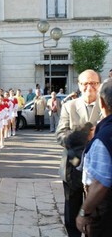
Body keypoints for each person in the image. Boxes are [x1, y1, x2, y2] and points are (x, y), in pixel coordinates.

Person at [56, 69, 101, 237]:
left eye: (94, 83)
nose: (90, 87)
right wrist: (83, 134)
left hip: (99, 169)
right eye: (85, 83)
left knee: (97, 212)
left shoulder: (106, 105)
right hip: (73, 166)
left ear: (99, 85)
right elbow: (61, 136)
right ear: (79, 85)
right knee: (72, 211)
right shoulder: (69, 106)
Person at [76, 79, 112, 237]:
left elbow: (101, 183)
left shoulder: (104, 135)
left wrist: (84, 212)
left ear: (102, 103)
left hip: (104, 210)